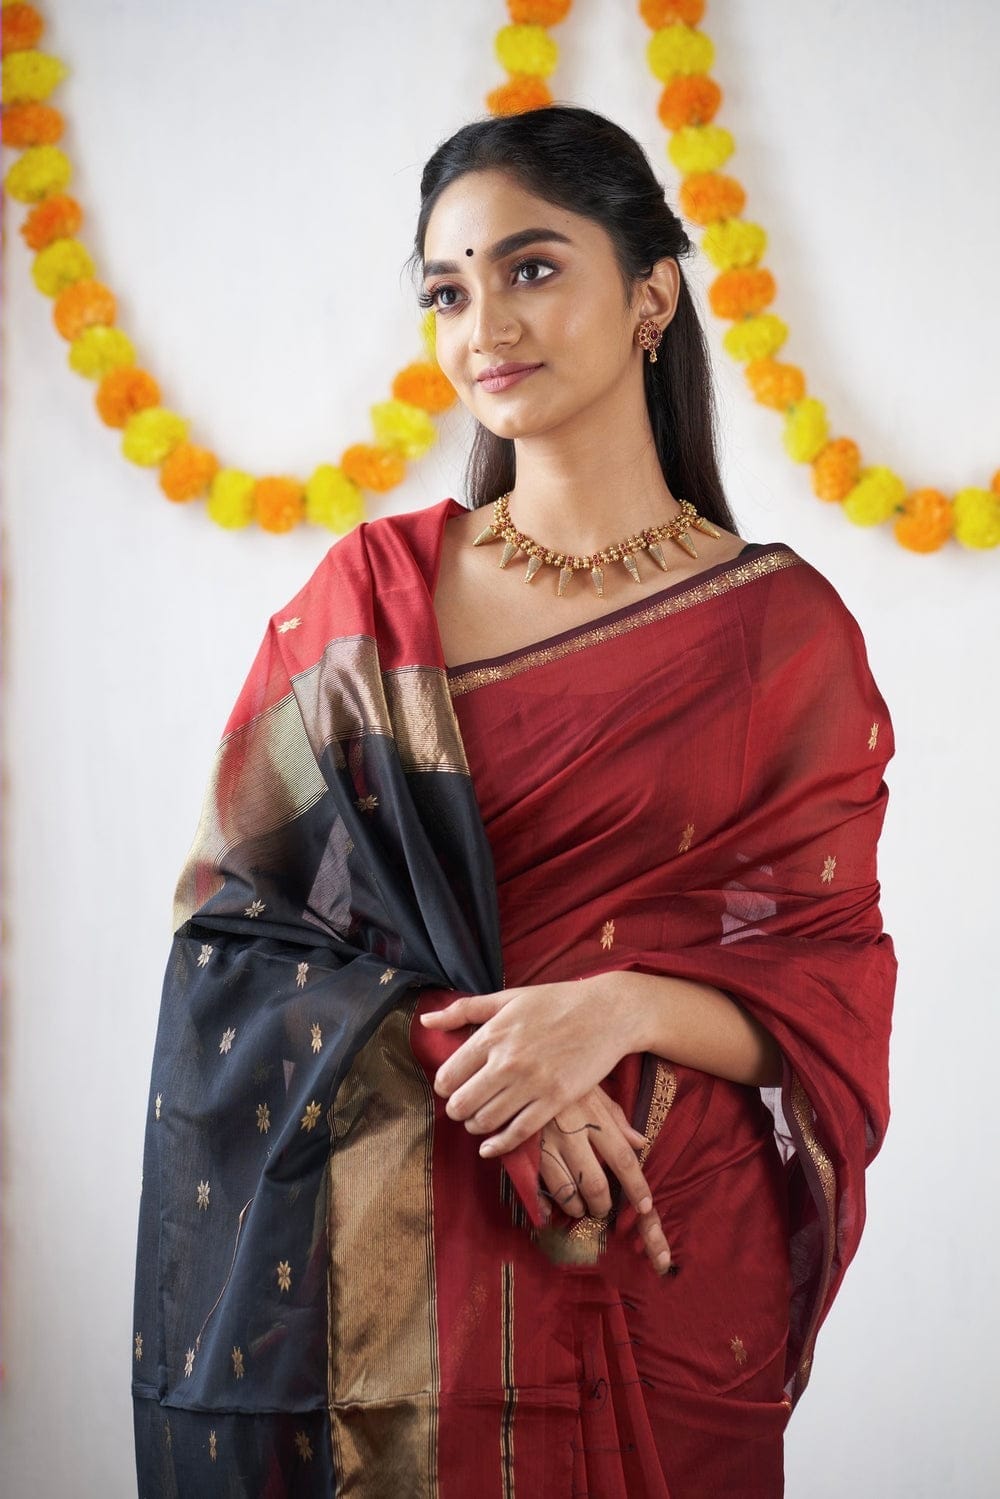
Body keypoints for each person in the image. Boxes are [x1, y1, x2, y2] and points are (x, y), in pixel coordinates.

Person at [132, 105, 897, 1498]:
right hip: (404, 1262)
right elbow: (242, 942)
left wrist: (615, 1011)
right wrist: (504, 1070)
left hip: (670, 1252)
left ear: (650, 292)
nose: (485, 320)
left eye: (532, 268)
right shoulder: (375, 603)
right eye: (447, 289)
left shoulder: (785, 633)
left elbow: (828, 977)